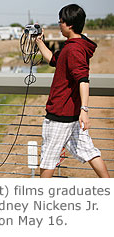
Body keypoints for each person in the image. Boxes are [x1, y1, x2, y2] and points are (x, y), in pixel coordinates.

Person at [35, 4, 110, 178]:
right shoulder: (75, 46)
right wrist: (39, 41)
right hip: (71, 114)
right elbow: (54, 60)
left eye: (60, 22)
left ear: (69, 24)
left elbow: (83, 79)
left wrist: (85, 110)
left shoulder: (74, 49)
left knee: (48, 158)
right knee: (89, 151)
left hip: (61, 115)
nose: (59, 25)